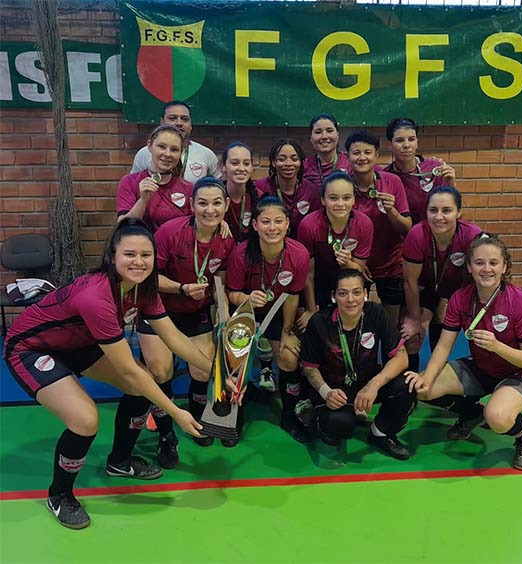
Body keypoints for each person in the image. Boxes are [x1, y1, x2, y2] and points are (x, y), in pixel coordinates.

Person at [3, 218, 215, 530]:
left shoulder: (145, 288)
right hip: (31, 349)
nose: (138, 262)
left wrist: (217, 372)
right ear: (112, 256)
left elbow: (173, 338)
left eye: (146, 255)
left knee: (140, 388)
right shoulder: (97, 296)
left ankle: (120, 461)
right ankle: (59, 495)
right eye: (129, 254)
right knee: (86, 419)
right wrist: (175, 412)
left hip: (79, 341)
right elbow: (129, 368)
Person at [405, 235, 522, 470]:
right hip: (481, 367)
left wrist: (496, 346)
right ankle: (472, 413)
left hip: (519, 373)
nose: (486, 269)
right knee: (423, 389)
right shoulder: (461, 298)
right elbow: (443, 346)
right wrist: (426, 378)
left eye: (493, 263)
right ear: (469, 267)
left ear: (504, 266)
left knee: (498, 418)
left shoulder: (521, 302)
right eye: (479, 263)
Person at [135, 177, 235, 459]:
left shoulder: (226, 239)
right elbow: (149, 276)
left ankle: (197, 417)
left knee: (203, 371)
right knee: (161, 371)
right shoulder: (170, 232)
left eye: (217, 203)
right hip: (158, 309)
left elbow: (220, 284)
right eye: (202, 203)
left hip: (195, 312)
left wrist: (224, 314)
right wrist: (180, 288)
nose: (210, 210)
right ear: (191, 205)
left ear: (226, 206)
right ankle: (166, 435)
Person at [301, 269, 415, 459]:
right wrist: (325, 392)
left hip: (367, 385)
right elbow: (309, 367)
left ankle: (381, 432)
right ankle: (319, 417)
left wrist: (374, 385)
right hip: (335, 390)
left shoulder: (376, 313)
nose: (350, 299)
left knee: (408, 384)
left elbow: (401, 357)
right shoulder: (319, 323)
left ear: (365, 294)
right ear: (333, 296)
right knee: (339, 427)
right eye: (343, 293)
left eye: (356, 292)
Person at [226, 196, 311, 443]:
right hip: (244, 312)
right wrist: (246, 297)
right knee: (236, 360)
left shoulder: (299, 253)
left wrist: (287, 331)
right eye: (265, 222)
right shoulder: (241, 253)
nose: (272, 227)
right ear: (255, 225)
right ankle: (234, 413)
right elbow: (231, 293)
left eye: (278, 221)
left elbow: (293, 296)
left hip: (278, 315)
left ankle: (289, 414)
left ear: (287, 224)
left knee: (288, 356)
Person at [401, 185, 482, 371]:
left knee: (472, 334)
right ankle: (408, 380)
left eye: (446, 210)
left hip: (458, 288)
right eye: (433, 210)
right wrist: (415, 319)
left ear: (459, 212)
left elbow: (485, 275)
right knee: (411, 333)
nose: (439, 217)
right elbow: (410, 282)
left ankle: (439, 371)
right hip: (424, 286)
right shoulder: (416, 235)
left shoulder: (472, 236)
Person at [345, 129, 412, 327]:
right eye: (356, 153)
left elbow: (407, 229)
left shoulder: (392, 181)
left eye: (367, 152)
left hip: (390, 264)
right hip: (355, 264)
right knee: (354, 321)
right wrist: (356, 264)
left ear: (376, 155)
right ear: (347, 156)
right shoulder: (341, 185)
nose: (362, 157)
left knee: (393, 325)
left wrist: (391, 211)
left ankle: (393, 356)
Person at [297, 171, 373, 331]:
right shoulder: (309, 225)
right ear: (323, 200)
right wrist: (311, 310)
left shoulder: (364, 224)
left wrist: (348, 263)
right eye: (333, 198)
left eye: (346, 198)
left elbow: (359, 271)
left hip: (349, 282)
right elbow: (307, 274)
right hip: (318, 283)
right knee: (313, 328)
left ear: (354, 199)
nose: (340, 203)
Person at [117, 125, 193, 233]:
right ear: (149, 146)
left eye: (174, 149)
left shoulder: (189, 188)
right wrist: (143, 200)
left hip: (175, 249)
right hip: (141, 248)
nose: (167, 154)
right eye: (161, 147)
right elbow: (123, 227)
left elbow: (195, 226)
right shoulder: (129, 182)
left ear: (181, 152)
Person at [384, 117, 456, 225]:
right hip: (400, 238)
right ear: (390, 145)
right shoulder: (386, 177)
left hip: (433, 233)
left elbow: (453, 207)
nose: (406, 145)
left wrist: (451, 183)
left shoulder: (435, 169)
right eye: (400, 140)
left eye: (411, 139)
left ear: (417, 143)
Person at [131, 100, 221, 184]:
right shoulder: (144, 153)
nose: (179, 123)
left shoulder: (206, 154)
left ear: (191, 125)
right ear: (162, 122)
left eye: (184, 119)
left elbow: (220, 187)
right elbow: (133, 186)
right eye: (172, 118)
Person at [256, 138, 321, 239]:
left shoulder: (312, 191)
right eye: (282, 159)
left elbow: (316, 225)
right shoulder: (261, 187)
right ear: (273, 162)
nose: (288, 164)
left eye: (294, 159)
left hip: (302, 247)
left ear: (300, 162)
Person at [221, 142, 259, 242]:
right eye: (235, 163)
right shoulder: (212, 196)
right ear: (223, 166)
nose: (241, 168)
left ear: (252, 167)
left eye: (246, 164)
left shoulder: (260, 197)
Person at [303, 113, 351, 191]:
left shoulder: (351, 162)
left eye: (329, 131)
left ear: (337, 135)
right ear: (311, 138)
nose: (324, 136)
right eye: (318, 132)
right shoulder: (304, 167)